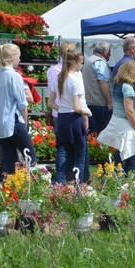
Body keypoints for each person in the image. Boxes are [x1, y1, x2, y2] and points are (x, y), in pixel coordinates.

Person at [0, 43, 36, 177]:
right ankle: (35, 186)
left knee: (9, 163)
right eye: (18, 57)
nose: (19, 60)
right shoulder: (14, 76)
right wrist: (25, 123)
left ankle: (10, 191)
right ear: (13, 57)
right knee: (30, 157)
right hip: (13, 121)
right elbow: (22, 103)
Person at [95, 60, 135, 173]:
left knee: (120, 155)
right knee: (131, 158)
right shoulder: (127, 87)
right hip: (127, 125)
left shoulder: (117, 85)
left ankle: (117, 180)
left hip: (118, 121)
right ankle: (129, 183)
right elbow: (129, 111)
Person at [50, 49, 91, 183]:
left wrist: (62, 108)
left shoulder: (59, 79)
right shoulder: (76, 80)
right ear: (73, 63)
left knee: (69, 156)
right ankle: (80, 187)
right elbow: (77, 107)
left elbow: (51, 102)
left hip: (62, 119)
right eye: (81, 63)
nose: (82, 65)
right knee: (80, 156)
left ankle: (59, 181)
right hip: (74, 119)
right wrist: (87, 112)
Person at [112, 36, 135, 171]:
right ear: (133, 49)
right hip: (132, 117)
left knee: (123, 151)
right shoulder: (129, 67)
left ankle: (120, 178)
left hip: (122, 118)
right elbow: (131, 104)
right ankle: (133, 181)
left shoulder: (121, 64)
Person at [47, 41, 78, 178]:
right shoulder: (75, 72)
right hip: (72, 112)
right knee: (75, 147)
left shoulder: (53, 70)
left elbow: (52, 93)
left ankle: (62, 178)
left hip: (58, 111)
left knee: (62, 146)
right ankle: (70, 176)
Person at [81, 41, 113, 134]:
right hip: (100, 104)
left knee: (93, 134)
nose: (110, 55)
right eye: (109, 52)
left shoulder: (89, 60)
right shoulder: (99, 62)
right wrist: (109, 102)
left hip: (90, 102)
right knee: (102, 134)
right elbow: (103, 82)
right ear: (105, 52)